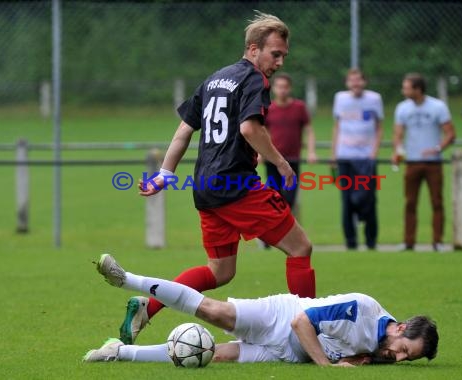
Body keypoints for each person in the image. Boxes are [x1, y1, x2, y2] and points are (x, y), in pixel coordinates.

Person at [117, 11, 316, 346]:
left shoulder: (215, 79)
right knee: (300, 247)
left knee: (220, 272)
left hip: (205, 188)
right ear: (254, 49)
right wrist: (281, 163)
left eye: (283, 55)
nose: (280, 62)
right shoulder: (255, 80)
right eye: (275, 54)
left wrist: (165, 174)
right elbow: (250, 128)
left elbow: (183, 131)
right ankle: (306, 332)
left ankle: (146, 307)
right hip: (236, 185)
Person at [84, 254, 439, 366]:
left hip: (285, 354)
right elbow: (302, 322)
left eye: (409, 358)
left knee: (208, 355)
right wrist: (328, 367)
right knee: (212, 311)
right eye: (404, 349)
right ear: (400, 327)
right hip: (281, 317)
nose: (400, 358)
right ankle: (125, 278)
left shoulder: (380, 352)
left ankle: (119, 353)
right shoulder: (362, 308)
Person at [392, 73, 455, 252]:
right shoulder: (402, 108)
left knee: (436, 202)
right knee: (410, 203)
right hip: (411, 162)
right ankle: (408, 241)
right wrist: (397, 150)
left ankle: (438, 241)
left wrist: (437, 148)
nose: (403, 91)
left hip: (433, 163)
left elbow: (450, 134)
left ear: (418, 89)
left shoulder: (438, 107)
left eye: (406, 87)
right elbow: (397, 134)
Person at [332, 69, 383, 250]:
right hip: (345, 157)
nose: (355, 84)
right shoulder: (340, 99)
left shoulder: (374, 99)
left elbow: (379, 127)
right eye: (351, 80)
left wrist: (374, 153)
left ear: (364, 82)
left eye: (358, 80)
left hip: (366, 158)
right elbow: (337, 127)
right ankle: (351, 242)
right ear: (347, 83)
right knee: (347, 202)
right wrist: (334, 154)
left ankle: (371, 241)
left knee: (369, 200)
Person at [264, 72, 317, 210]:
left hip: (293, 160)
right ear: (274, 88)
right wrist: (259, 153)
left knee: (290, 199)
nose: (282, 90)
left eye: (285, 87)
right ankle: (278, 229)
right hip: (273, 160)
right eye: (279, 87)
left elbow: (309, 130)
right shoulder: (268, 108)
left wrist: (311, 152)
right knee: (274, 198)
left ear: (290, 88)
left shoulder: (299, 107)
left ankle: (288, 228)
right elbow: (263, 133)